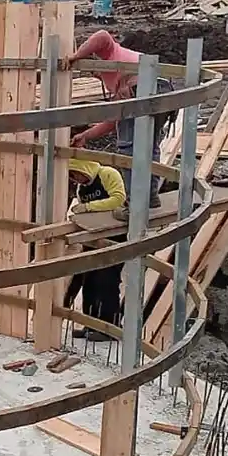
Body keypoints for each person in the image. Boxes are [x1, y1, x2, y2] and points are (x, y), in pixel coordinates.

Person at [63, 29, 167, 209]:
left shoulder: (110, 55)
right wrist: (86, 135)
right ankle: (150, 199)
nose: (92, 74)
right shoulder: (116, 76)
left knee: (128, 148)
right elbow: (114, 120)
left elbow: (102, 35)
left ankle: (134, 204)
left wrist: (75, 56)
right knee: (149, 147)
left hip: (142, 88)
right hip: (162, 90)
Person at [62, 158, 126, 342]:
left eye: (76, 175)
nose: (75, 180)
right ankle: (91, 325)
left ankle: (110, 328)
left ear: (83, 168)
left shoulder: (107, 174)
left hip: (115, 236)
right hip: (93, 238)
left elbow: (118, 199)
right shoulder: (82, 189)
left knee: (107, 281)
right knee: (89, 282)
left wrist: (88, 207)